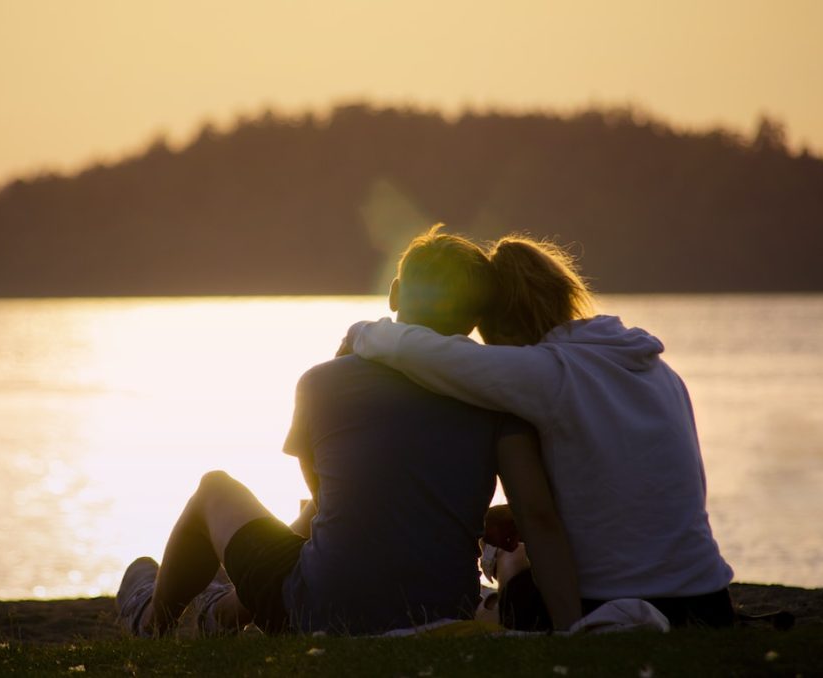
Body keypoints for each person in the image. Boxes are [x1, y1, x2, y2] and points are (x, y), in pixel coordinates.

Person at [116, 226, 581, 636]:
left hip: (321, 612)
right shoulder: (496, 396)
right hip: (444, 607)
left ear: (396, 293)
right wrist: (572, 629)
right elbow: (535, 513)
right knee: (305, 543)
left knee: (214, 489)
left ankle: (153, 620)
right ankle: (219, 613)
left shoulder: (320, 382)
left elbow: (329, 499)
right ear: (476, 316)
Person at [347, 233, 735, 629]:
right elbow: (637, 485)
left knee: (510, 558)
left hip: (609, 602)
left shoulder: (547, 371)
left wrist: (362, 332)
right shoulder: (655, 368)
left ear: (496, 322)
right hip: (707, 601)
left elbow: (426, 353)